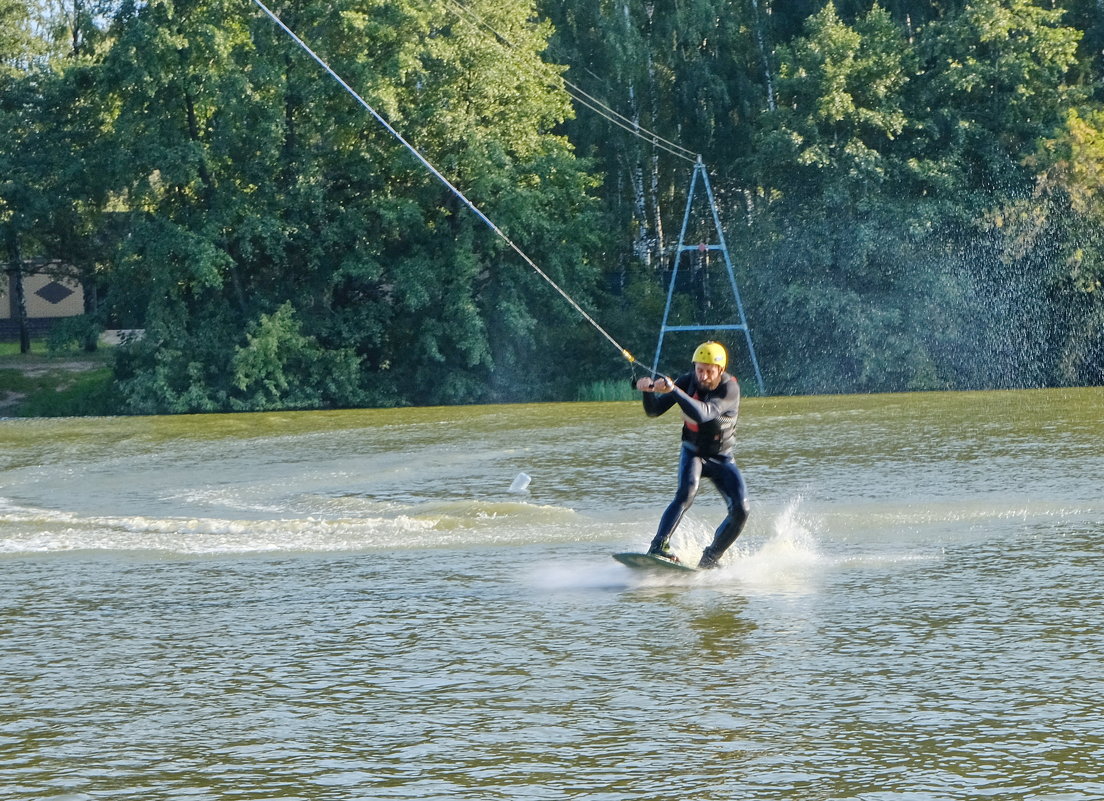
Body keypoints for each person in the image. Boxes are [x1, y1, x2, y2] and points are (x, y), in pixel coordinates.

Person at [635, 341, 749, 569]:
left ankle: (710, 558)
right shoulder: (688, 381)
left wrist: (674, 390)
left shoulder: (729, 389)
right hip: (693, 452)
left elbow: (703, 413)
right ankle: (658, 546)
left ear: (720, 370)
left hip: (721, 457)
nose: (703, 376)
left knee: (741, 510)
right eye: (699, 370)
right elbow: (654, 410)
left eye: (709, 371)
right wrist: (648, 391)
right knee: (686, 493)